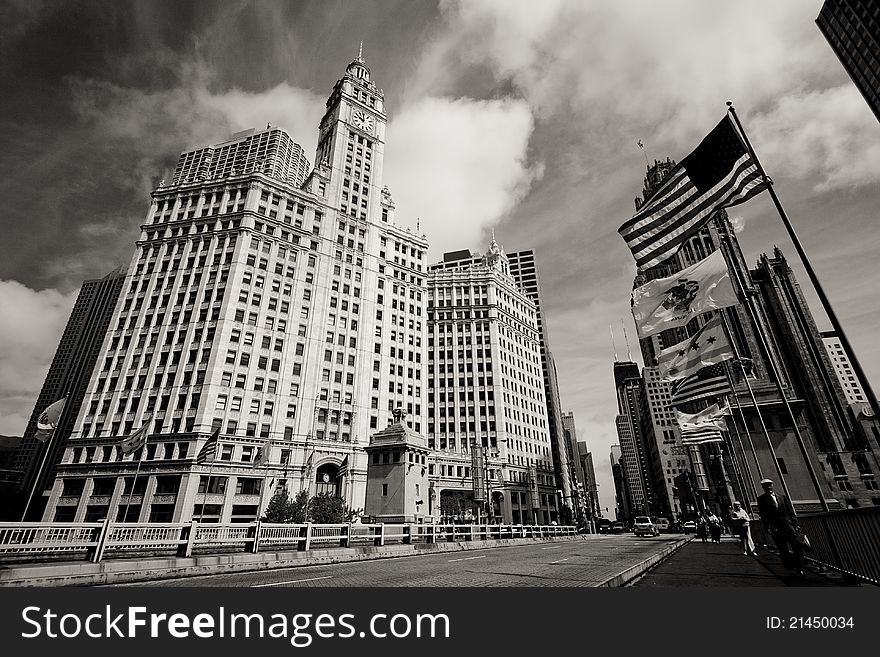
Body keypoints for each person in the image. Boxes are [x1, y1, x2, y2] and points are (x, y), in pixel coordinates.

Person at [756, 478, 805, 576]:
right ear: (763, 488)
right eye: (766, 486)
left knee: (796, 547)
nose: (769, 488)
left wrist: (796, 524)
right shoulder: (761, 499)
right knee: (783, 550)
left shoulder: (782, 497)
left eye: (770, 486)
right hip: (776, 528)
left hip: (788, 526)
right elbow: (763, 515)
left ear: (772, 486)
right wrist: (767, 527)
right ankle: (790, 568)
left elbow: (790, 512)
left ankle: (799, 568)